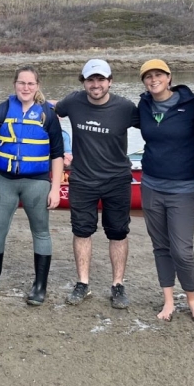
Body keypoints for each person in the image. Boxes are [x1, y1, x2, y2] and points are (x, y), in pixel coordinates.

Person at [0, 66, 64, 305]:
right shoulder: (2, 110)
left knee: (41, 232)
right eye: (21, 83)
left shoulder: (47, 114)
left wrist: (55, 188)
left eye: (30, 84)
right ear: (15, 84)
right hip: (4, 181)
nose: (26, 88)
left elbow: (57, 154)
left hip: (37, 183)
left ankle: (39, 286)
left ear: (37, 86)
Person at [54, 59, 139, 308]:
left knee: (118, 232)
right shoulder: (73, 101)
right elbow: (51, 112)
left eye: (101, 79)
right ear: (84, 83)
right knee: (82, 231)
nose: (96, 84)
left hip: (117, 180)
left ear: (110, 81)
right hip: (82, 179)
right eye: (91, 80)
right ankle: (82, 283)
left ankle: (118, 285)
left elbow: (156, 128)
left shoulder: (125, 107)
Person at [137, 59, 194, 322]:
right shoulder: (143, 106)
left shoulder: (191, 105)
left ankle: (192, 299)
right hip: (151, 185)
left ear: (169, 77)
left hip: (184, 187)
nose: (153, 80)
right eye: (148, 77)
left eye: (158, 75)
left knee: (182, 249)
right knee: (161, 246)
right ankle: (168, 301)